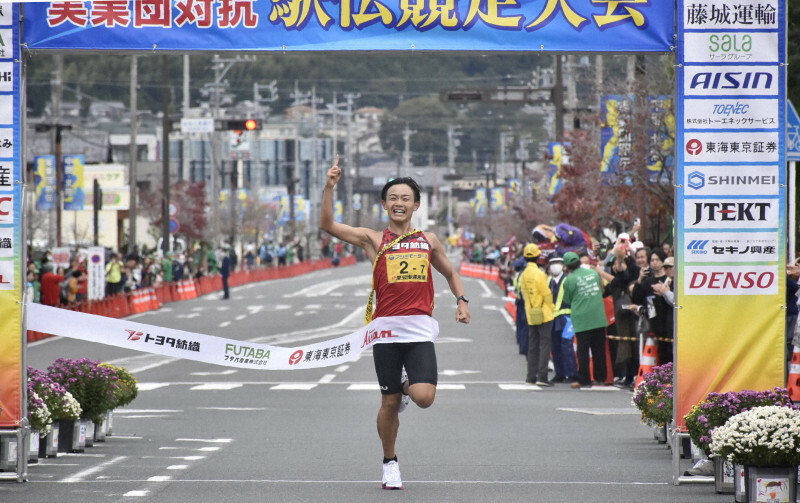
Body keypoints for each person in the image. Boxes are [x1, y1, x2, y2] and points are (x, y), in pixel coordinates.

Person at [321, 155, 470, 491]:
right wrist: (329, 188)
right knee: (389, 403)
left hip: (419, 331)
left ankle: (407, 385)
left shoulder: (428, 241)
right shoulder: (374, 239)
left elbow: (450, 272)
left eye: (405, 198)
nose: (399, 203)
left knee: (424, 397)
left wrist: (461, 301)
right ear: (384, 204)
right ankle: (390, 463)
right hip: (385, 332)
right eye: (393, 198)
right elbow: (328, 226)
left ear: (416, 205)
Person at [557, 252, 609, 388]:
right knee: (599, 350)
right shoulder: (593, 274)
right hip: (598, 316)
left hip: (582, 318)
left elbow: (567, 299)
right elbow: (601, 289)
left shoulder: (569, 280)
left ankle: (584, 379)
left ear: (566, 266)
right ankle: (600, 378)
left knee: (583, 351)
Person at [520, 243, 554, 386]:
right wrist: (551, 307)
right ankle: (542, 377)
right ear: (538, 257)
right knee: (544, 344)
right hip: (544, 313)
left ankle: (530, 376)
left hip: (531, 313)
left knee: (532, 345)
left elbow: (523, 294)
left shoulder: (523, 274)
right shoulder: (540, 274)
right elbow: (546, 293)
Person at [549, 256, 577, 383]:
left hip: (567, 318)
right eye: (552, 263)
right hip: (552, 319)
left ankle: (571, 373)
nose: (555, 266)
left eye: (558, 263)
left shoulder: (568, 279)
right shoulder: (549, 281)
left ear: (563, 265)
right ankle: (559, 373)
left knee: (567, 346)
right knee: (555, 347)